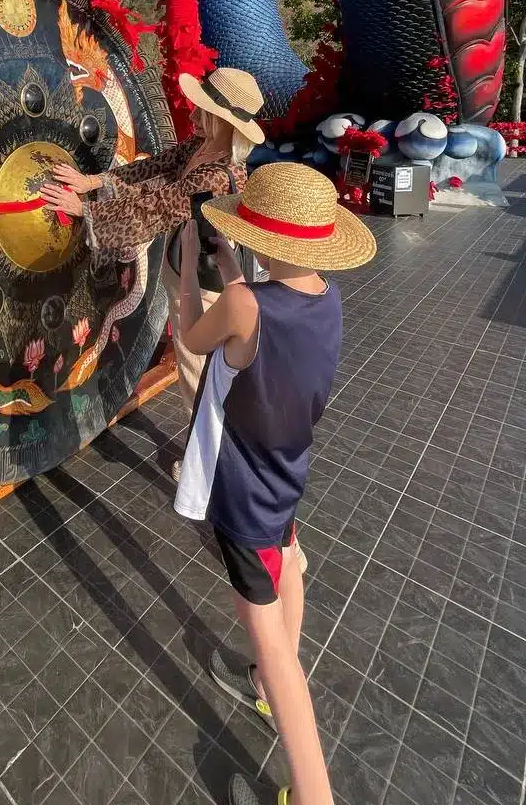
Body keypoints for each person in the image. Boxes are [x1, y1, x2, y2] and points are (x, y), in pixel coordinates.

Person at [174, 162, 376, 805]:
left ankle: (314, 792)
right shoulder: (327, 298)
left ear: (263, 241)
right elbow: (254, 314)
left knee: (276, 644)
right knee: (292, 560)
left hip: (244, 495)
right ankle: (267, 682)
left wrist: (187, 265)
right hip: (287, 472)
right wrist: (231, 262)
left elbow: (194, 332)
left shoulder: (242, 305)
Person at [40, 67, 263, 432]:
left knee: (198, 369)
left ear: (220, 120)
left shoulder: (219, 174)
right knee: (201, 367)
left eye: (200, 108)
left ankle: (206, 460)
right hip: (187, 264)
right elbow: (152, 170)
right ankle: (213, 445)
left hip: (206, 281)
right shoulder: (203, 147)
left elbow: (158, 207)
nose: (191, 113)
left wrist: (87, 211)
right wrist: (92, 181)